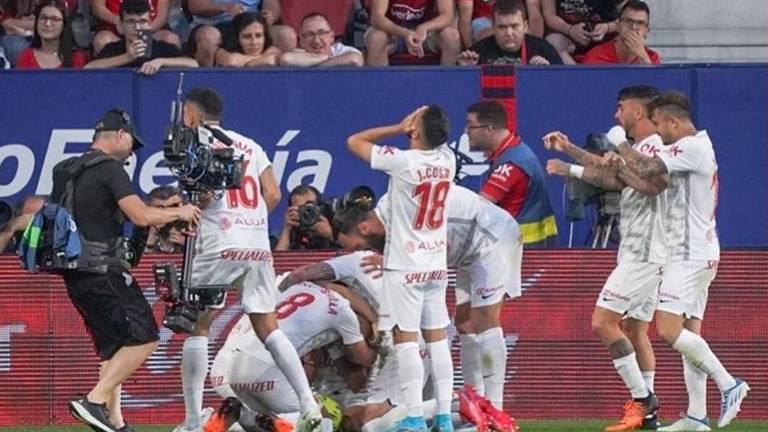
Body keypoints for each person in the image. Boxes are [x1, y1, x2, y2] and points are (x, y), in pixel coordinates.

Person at [174, 88, 324, 432]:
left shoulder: (195, 144)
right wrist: (250, 222)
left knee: (198, 325)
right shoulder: (250, 145)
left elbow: (202, 197)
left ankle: (193, 422)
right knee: (269, 327)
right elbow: (273, 193)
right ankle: (308, 404)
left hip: (218, 242)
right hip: (256, 245)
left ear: (192, 115)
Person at [605, 91, 750, 430]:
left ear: (672, 122)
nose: (657, 131)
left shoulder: (691, 148)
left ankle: (729, 383)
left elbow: (647, 166)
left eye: (658, 124)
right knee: (689, 334)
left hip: (689, 253)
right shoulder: (694, 148)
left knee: (668, 328)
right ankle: (697, 416)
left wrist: (619, 143)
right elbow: (646, 179)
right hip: (699, 250)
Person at [50, 108, 200, 432]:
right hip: (103, 269)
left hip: (74, 272)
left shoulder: (66, 169)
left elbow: (92, 216)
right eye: (132, 143)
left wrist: (160, 217)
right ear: (120, 135)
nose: (132, 152)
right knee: (145, 338)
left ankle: (115, 422)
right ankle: (94, 401)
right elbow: (140, 216)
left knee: (114, 347)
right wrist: (181, 212)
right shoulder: (110, 168)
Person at [543, 85, 667, 431]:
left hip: (644, 251)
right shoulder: (642, 149)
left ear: (637, 111)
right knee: (635, 329)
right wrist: (569, 151)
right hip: (645, 250)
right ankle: (648, 417)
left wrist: (571, 167)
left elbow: (621, 178)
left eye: (621, 108)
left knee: (602, 322)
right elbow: (610, 171)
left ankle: (642, 399)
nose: (616, 115)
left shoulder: (653, 149)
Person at [347, 105, 456, 432]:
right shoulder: (448, 159)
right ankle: (445, 417)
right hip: (435, 265)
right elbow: (437, 136)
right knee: (437, 340)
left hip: (405, 267)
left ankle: (414, 417)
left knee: (405, 340)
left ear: (416, 131)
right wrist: (423, 124)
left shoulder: (404, 162)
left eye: (414, 122)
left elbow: (355, 141)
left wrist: (397, 126)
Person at [203, 279, 378, 432]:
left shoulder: (296, 289)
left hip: (236, 367)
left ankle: (240, 414)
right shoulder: (342, 309)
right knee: (322, 417)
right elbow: (361, 359)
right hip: (267, 370)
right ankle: (278, 424)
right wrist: (379, 350)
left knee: (257, 421)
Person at [465, 100, 557, 246]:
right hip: (522, 247)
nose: (466, 131)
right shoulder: (514, 151)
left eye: (471, 126)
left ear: (489, 129)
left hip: (520, 250)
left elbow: (478, 208)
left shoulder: (512, 164)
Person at [85, 0, 198, 74]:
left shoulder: (161, 48)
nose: (138, 27)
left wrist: (161, 62)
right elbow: (88, 69)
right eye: (131, 22)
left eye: (142, 21)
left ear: (149, 24)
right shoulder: (113, 49)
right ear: (121, 25)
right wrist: (126, 58)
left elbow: (193, 64)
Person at [188, 0, 295, 67]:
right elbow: (195, 5)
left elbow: (272, 6)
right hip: (215, 24)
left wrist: (270, 14)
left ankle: (282, 85)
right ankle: (206, 87)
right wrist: (225, 7)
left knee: (286, 35)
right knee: (208, 36)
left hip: (253, 24)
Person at [457, 0, 562, 66]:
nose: (509, 33)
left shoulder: (542, 49)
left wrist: (547, 71)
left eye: (514, 26)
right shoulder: (478, 52)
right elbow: (457, 89)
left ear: (525, 26)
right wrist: (466, 71)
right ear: (493, 27)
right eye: (502, 27)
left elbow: (562, 83)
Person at [365, 0, 462, 66]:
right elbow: (377, 18)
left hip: (427, 32)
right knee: (376, 39)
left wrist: (425, 27)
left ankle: (449, 86)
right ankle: (377, 87)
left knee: (451, 37)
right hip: (392, 31)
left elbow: (447, 16)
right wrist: (405, 33)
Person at [582, 0, 660, 65]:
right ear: (618, 26)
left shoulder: (652, 58)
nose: (633, 27)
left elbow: (654, 79)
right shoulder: (596, 56)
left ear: (646, 32)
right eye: (628, 21)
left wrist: (642, 56)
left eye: (640, 23)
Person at [541, 0, 620, 64]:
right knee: (553, 42)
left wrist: (608, 27)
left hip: (604, 35)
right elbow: (550, 16)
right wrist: (569, 30)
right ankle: (578, 76)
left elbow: (624, 19)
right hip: (569, 35)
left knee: (624, 38)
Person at [90, 0, 180, 55]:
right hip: (115, 28)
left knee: (171, 39)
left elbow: (162, 16)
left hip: (151, 29)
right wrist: (118, 21)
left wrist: (145, 31)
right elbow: (98, 9)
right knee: (102, 40)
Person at [15, 0, 87, 69]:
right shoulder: (26, 56)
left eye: (55, 19)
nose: (47, 24)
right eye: (43, 18)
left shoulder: (76, 58)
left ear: (64, 25)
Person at [279, 12, 363, 67]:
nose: (316, 40)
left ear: (332, 37)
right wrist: (325, 58)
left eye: (321, 33)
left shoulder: (340, 50)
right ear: (301, 41)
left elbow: (355, 59)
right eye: (309, 35)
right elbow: (286, 59)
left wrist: (315, 67)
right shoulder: (299, 53)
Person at [274, 185, 336, 251]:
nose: (306, 212)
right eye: (300, 208)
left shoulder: (334, 225)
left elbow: (344, 248)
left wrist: (329, 233)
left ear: (319, 207)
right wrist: (287, 230)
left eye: (309, 206)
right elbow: (278, 256)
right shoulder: (286, 234)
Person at [214, 12, 280, 67]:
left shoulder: (272, 50)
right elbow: (232, 61)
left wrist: (245, 62)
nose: (254, 42)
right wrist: (262, 59)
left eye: (258, 36)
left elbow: (272, 60)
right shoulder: (222, 52)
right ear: (236, 37)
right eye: (247, 37)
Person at [144, 185, 185, 253]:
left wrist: (187, 243)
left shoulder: (191, 228)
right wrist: (151, 238)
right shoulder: (139, 229)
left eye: (172, 207)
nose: (165, 213)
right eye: (159, 208)